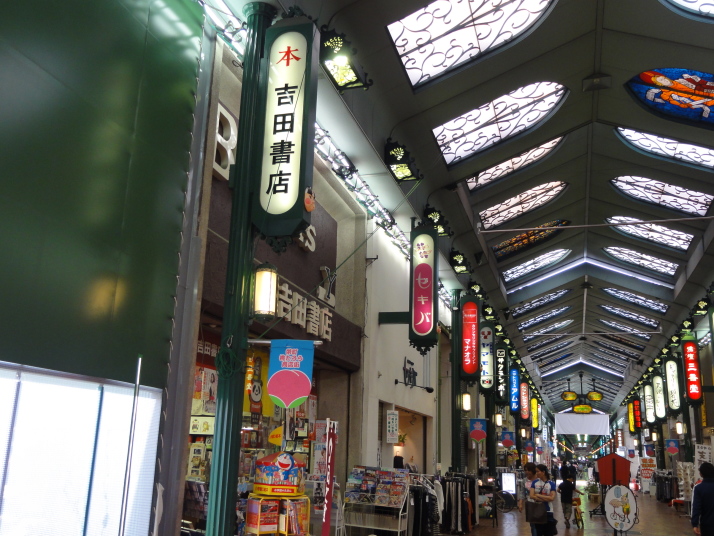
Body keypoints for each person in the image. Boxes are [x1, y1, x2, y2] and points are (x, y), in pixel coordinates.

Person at [530, 463, 557, 536]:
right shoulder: (535, 482)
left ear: (543, 472)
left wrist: (538, 495)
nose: (536, 473)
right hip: (537, 511)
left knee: (549, 532)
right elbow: (531, 496)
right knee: (538, 532)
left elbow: (552, 498)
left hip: (548, 511)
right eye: (536, 471)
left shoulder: (551, 484)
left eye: (538, 471)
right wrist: (546, 498)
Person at [692, 462, 714, 536]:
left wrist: (695, 524)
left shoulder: (699, 488)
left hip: (706, 524)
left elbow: (696, 507)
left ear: (701, 474)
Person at [518, 462, 538, 536]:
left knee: (539, 524)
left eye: (528, 470)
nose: (527, 472)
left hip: (540, 503)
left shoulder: (539, 479)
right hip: (530, 504)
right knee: (532, 524)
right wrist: (520, 503)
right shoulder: (524, 480)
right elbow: (522, 492)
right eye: (525, 470)